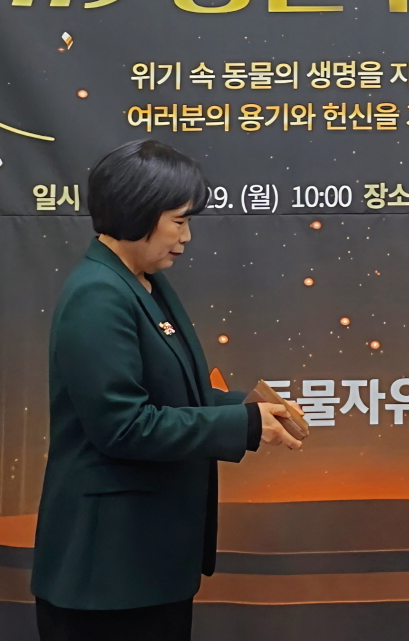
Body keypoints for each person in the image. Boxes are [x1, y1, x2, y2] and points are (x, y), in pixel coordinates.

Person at [31, 139, 303, 641]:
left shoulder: (142, 283)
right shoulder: (98, 294)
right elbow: (124, 426)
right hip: (108, 574)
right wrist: (241, 424)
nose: (187, 236)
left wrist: (250, 408)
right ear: (138, 211)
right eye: (179, 221)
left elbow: (170, 397)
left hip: (145, 562)